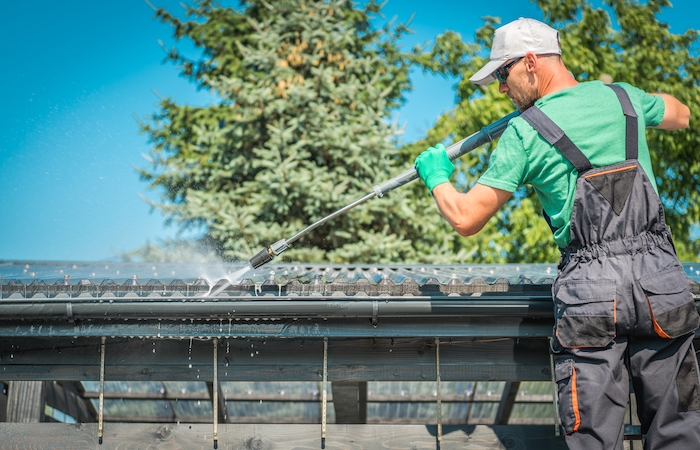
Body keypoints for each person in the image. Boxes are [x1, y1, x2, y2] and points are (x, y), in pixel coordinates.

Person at [414, 17, 700, 450]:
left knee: (591, 441)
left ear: (531, 62)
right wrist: (638, 107)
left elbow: (466, 218)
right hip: (661, 283)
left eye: (502, 74)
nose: (500, 89)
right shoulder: (624, 98)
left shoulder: (525, 132)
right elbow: (682, 114)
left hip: (592, 293)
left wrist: (436, 177)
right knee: (681, 432)